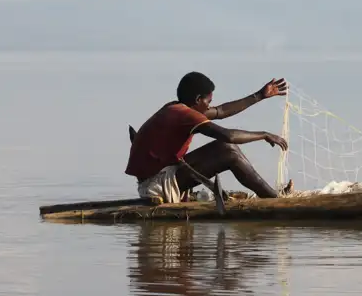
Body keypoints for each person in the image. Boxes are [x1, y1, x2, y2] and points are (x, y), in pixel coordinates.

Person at [125, 71, 291, 204]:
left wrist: (260, 95)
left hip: (160, 178)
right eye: (208, 101)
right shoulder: (183, 115)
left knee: (225, 149)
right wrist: (264, 134)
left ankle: (271, 194)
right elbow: (228, 136)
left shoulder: (176, 108)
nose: (210, 106)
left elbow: (221, 111)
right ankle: (275, 200)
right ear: (197, 99)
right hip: (156, 186)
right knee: (229, 151)